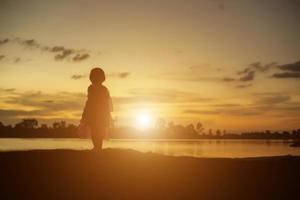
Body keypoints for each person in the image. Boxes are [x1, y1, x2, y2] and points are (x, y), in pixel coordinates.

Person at [81, 67, 113, 151]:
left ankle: (97, 147)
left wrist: (107, 113)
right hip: (97, 113)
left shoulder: (96, 88)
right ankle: (97, 147)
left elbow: (106, 102)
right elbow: (90, 101)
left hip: (98, 113)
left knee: (97, 130)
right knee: (96, 130)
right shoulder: (99, 88)